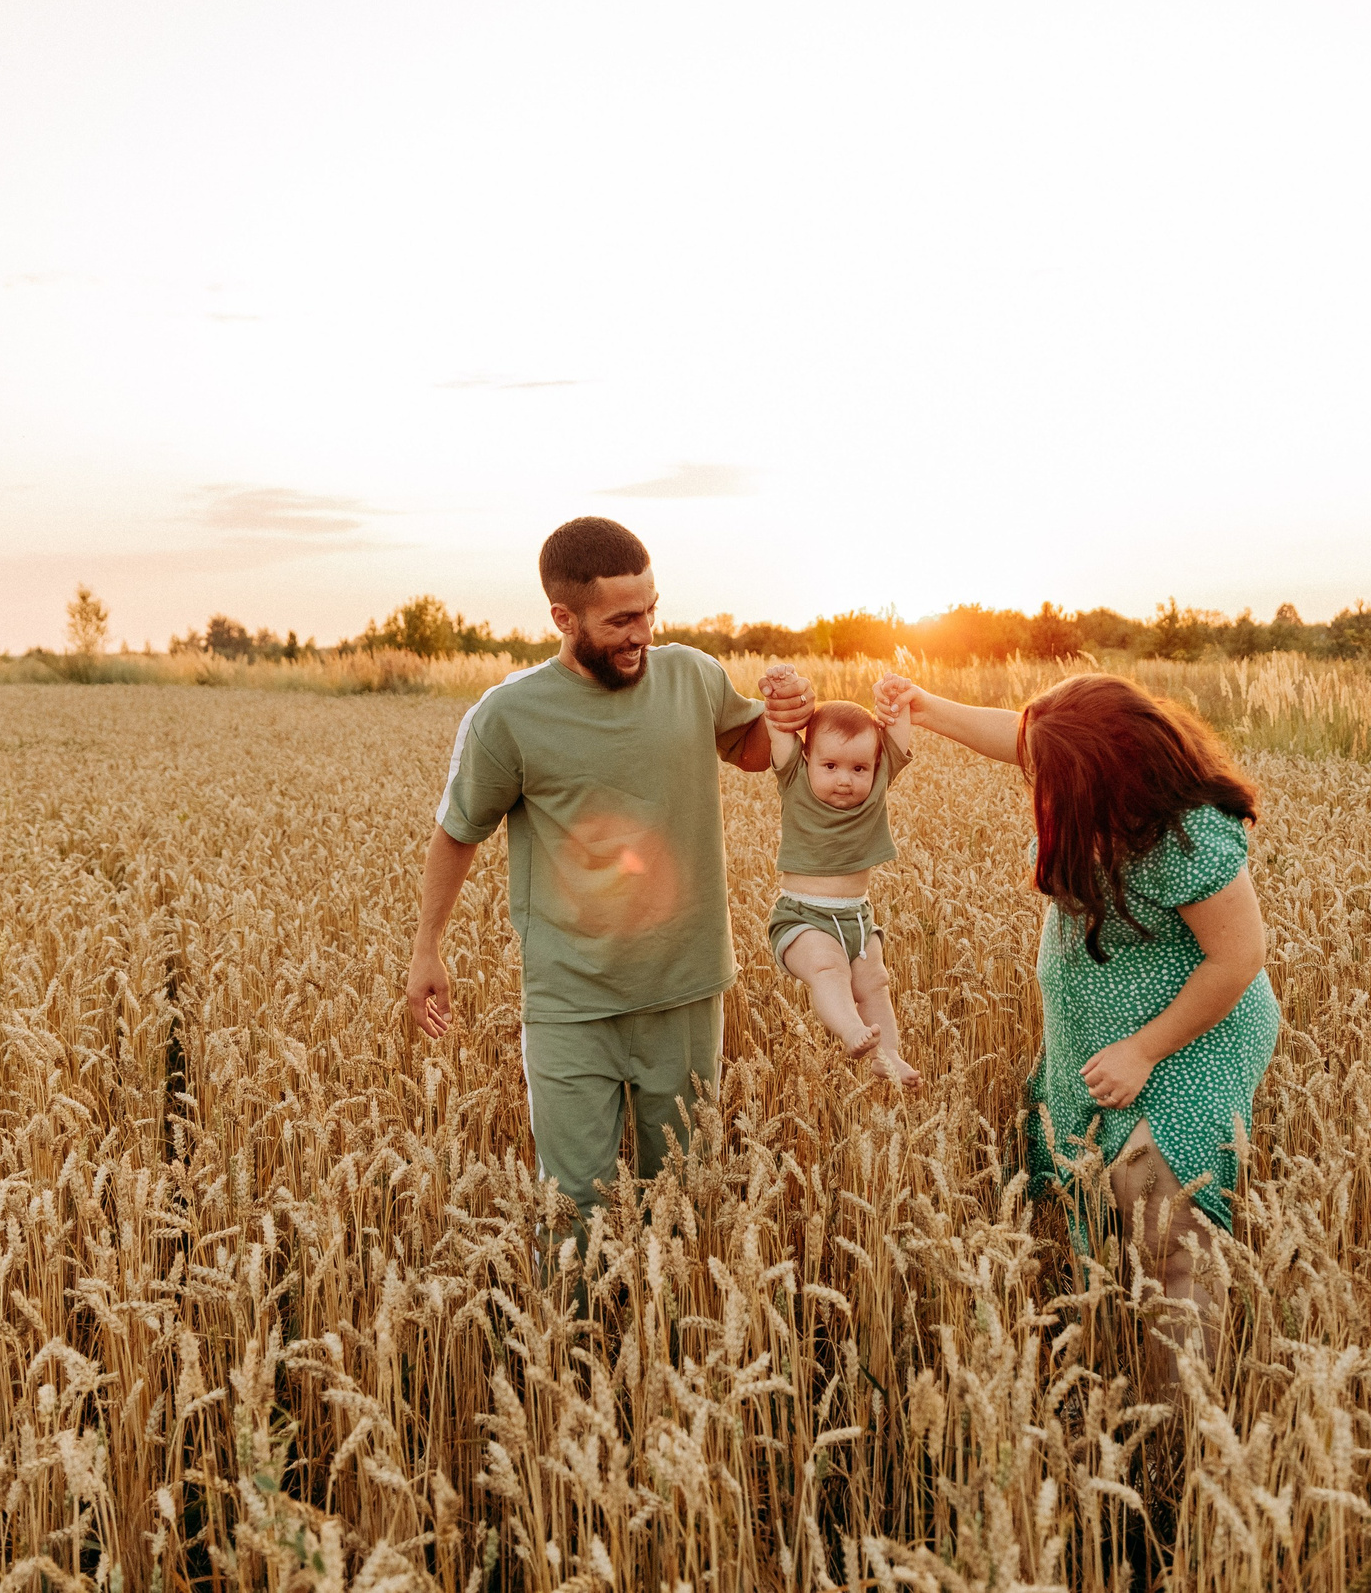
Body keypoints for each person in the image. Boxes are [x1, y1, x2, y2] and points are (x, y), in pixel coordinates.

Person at [406, 516, 813, 1257]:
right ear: (563, 617)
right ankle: (571, 1356)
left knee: (686, 1202)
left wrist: (787, 714)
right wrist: (427, 945)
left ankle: (674, 1363)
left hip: (685, 988)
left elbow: (750, 747)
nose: (643, 632)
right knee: (571, 1215)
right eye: (621, 618)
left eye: (651, 609)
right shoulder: (509, 714)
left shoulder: (692, 675)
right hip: (570, 1001)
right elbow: (458, 829)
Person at [875, 669, 1279, 1395]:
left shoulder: (1188, 838)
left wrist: (1144, 1049)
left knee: (1162, 1207)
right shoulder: (1081, 776)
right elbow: (1020, 737)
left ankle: (1183, 1415)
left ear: (1118, 775)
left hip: (1191, 1030)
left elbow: (1238, 958)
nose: (1043, 793)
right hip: (1097, 1024)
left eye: (1060, 782)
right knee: (1091, 1171)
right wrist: (926, 707)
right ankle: (1119, 1340)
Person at [756, 671, 921, 1088]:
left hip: (858, 920)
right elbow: (779, 727)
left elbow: (898, 738)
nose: (845, 779)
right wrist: (781, 689)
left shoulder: (877, 784)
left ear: (876, 767)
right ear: (808, 758)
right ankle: (851, 1032)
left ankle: (888, 1057)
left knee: (876, 985)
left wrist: (895, 698)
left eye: (858, 768)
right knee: (829, 969)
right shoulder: (794, 778)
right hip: (803, 918)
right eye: (830, 765)